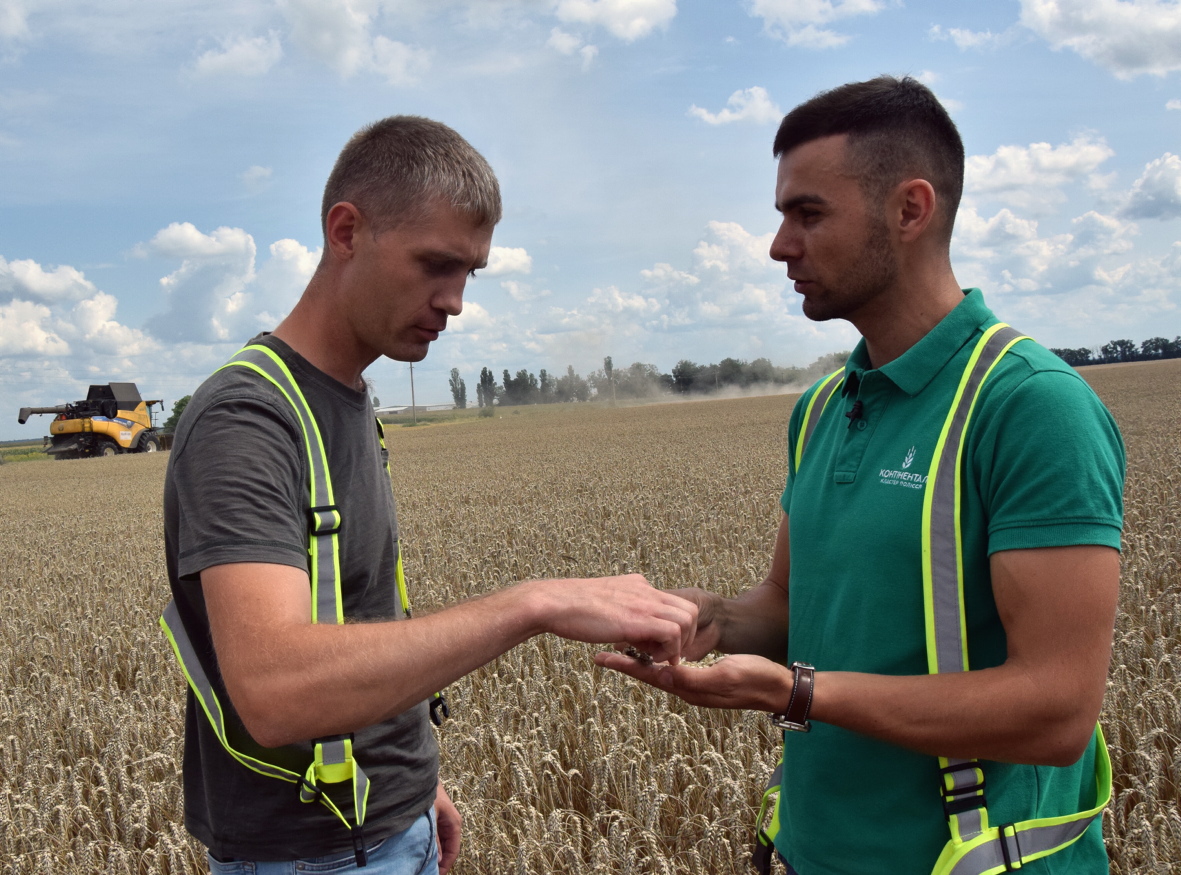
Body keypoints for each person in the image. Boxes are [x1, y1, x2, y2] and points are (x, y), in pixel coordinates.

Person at [597, 77, 1125, 875]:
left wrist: (795, 694)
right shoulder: (819, 409)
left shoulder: (1029, 407)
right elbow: (786, 605)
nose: (779, 245)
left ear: (910, 210)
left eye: (807, 213)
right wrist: (701, 622)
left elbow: (1054, 709)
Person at [161, 116, 698, 875]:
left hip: (387, 820)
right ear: (346, 230)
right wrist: (531, 603)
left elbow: (360, 613)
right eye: (435, 264)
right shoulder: (248, 419)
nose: (454, 301)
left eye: (469, 272)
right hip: (315, 856)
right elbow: (276, 689)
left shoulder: (345, 398)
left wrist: (411, 779)